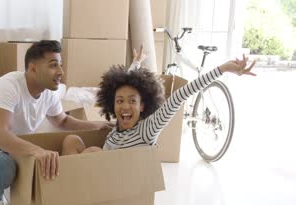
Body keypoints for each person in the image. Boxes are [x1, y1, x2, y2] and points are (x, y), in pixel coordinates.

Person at [0, 40, 113, 205]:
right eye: (53, 65)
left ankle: (7, 182)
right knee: (4, 167)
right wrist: (37, 150)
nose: (60, 72)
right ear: (33, 68)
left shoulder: (49, 93)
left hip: (13, 147)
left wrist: (95, 126)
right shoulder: (8, 86)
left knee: (35, 169)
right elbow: (0, 135)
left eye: (60, 65)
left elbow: (63, 120)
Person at [61, 49, 256, 155]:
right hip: (92, 175)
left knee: (93, 152)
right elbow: (126, 82)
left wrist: (223, 69)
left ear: (142, 106)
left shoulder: (147, 129)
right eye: (119, 101)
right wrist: (137, 62)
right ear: (113, 105)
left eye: (132, 101)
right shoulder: (116, 128)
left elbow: (180, 95)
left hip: (115, 185)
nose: (125, 106)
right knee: (72, 140)